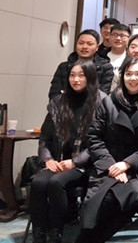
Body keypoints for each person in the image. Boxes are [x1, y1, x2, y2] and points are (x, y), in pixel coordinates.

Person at [75, 58, 138, 243]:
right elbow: (94, 137)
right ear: (122, 76)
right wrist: (112, 166)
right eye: (128, 74)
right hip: (107, 166)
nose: (133, 78)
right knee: (99, 203)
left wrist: (127, 164)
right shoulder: (108, 102)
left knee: (117, 200)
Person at [30, 60, 105, 243]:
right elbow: (45, 138)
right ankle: (39, 232)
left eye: (81, 75)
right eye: (72, 75)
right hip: (58, 161)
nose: (76, 79)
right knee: (38, 182)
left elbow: (100, 143)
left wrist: (75, 162)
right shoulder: (58, 102)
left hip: (85, 165)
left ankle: (56, 232)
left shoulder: (102, 102)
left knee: (56, 182)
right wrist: (47, 160)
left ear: (90, 77)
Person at [48, 29, 113, 100]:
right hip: (64, 105)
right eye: (81, 43)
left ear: (97, 47)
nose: (84, 46)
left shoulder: (106, 67)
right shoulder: (64, 67)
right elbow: (54, 94)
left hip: (93, 106)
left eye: (89, 44)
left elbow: (102, 95)